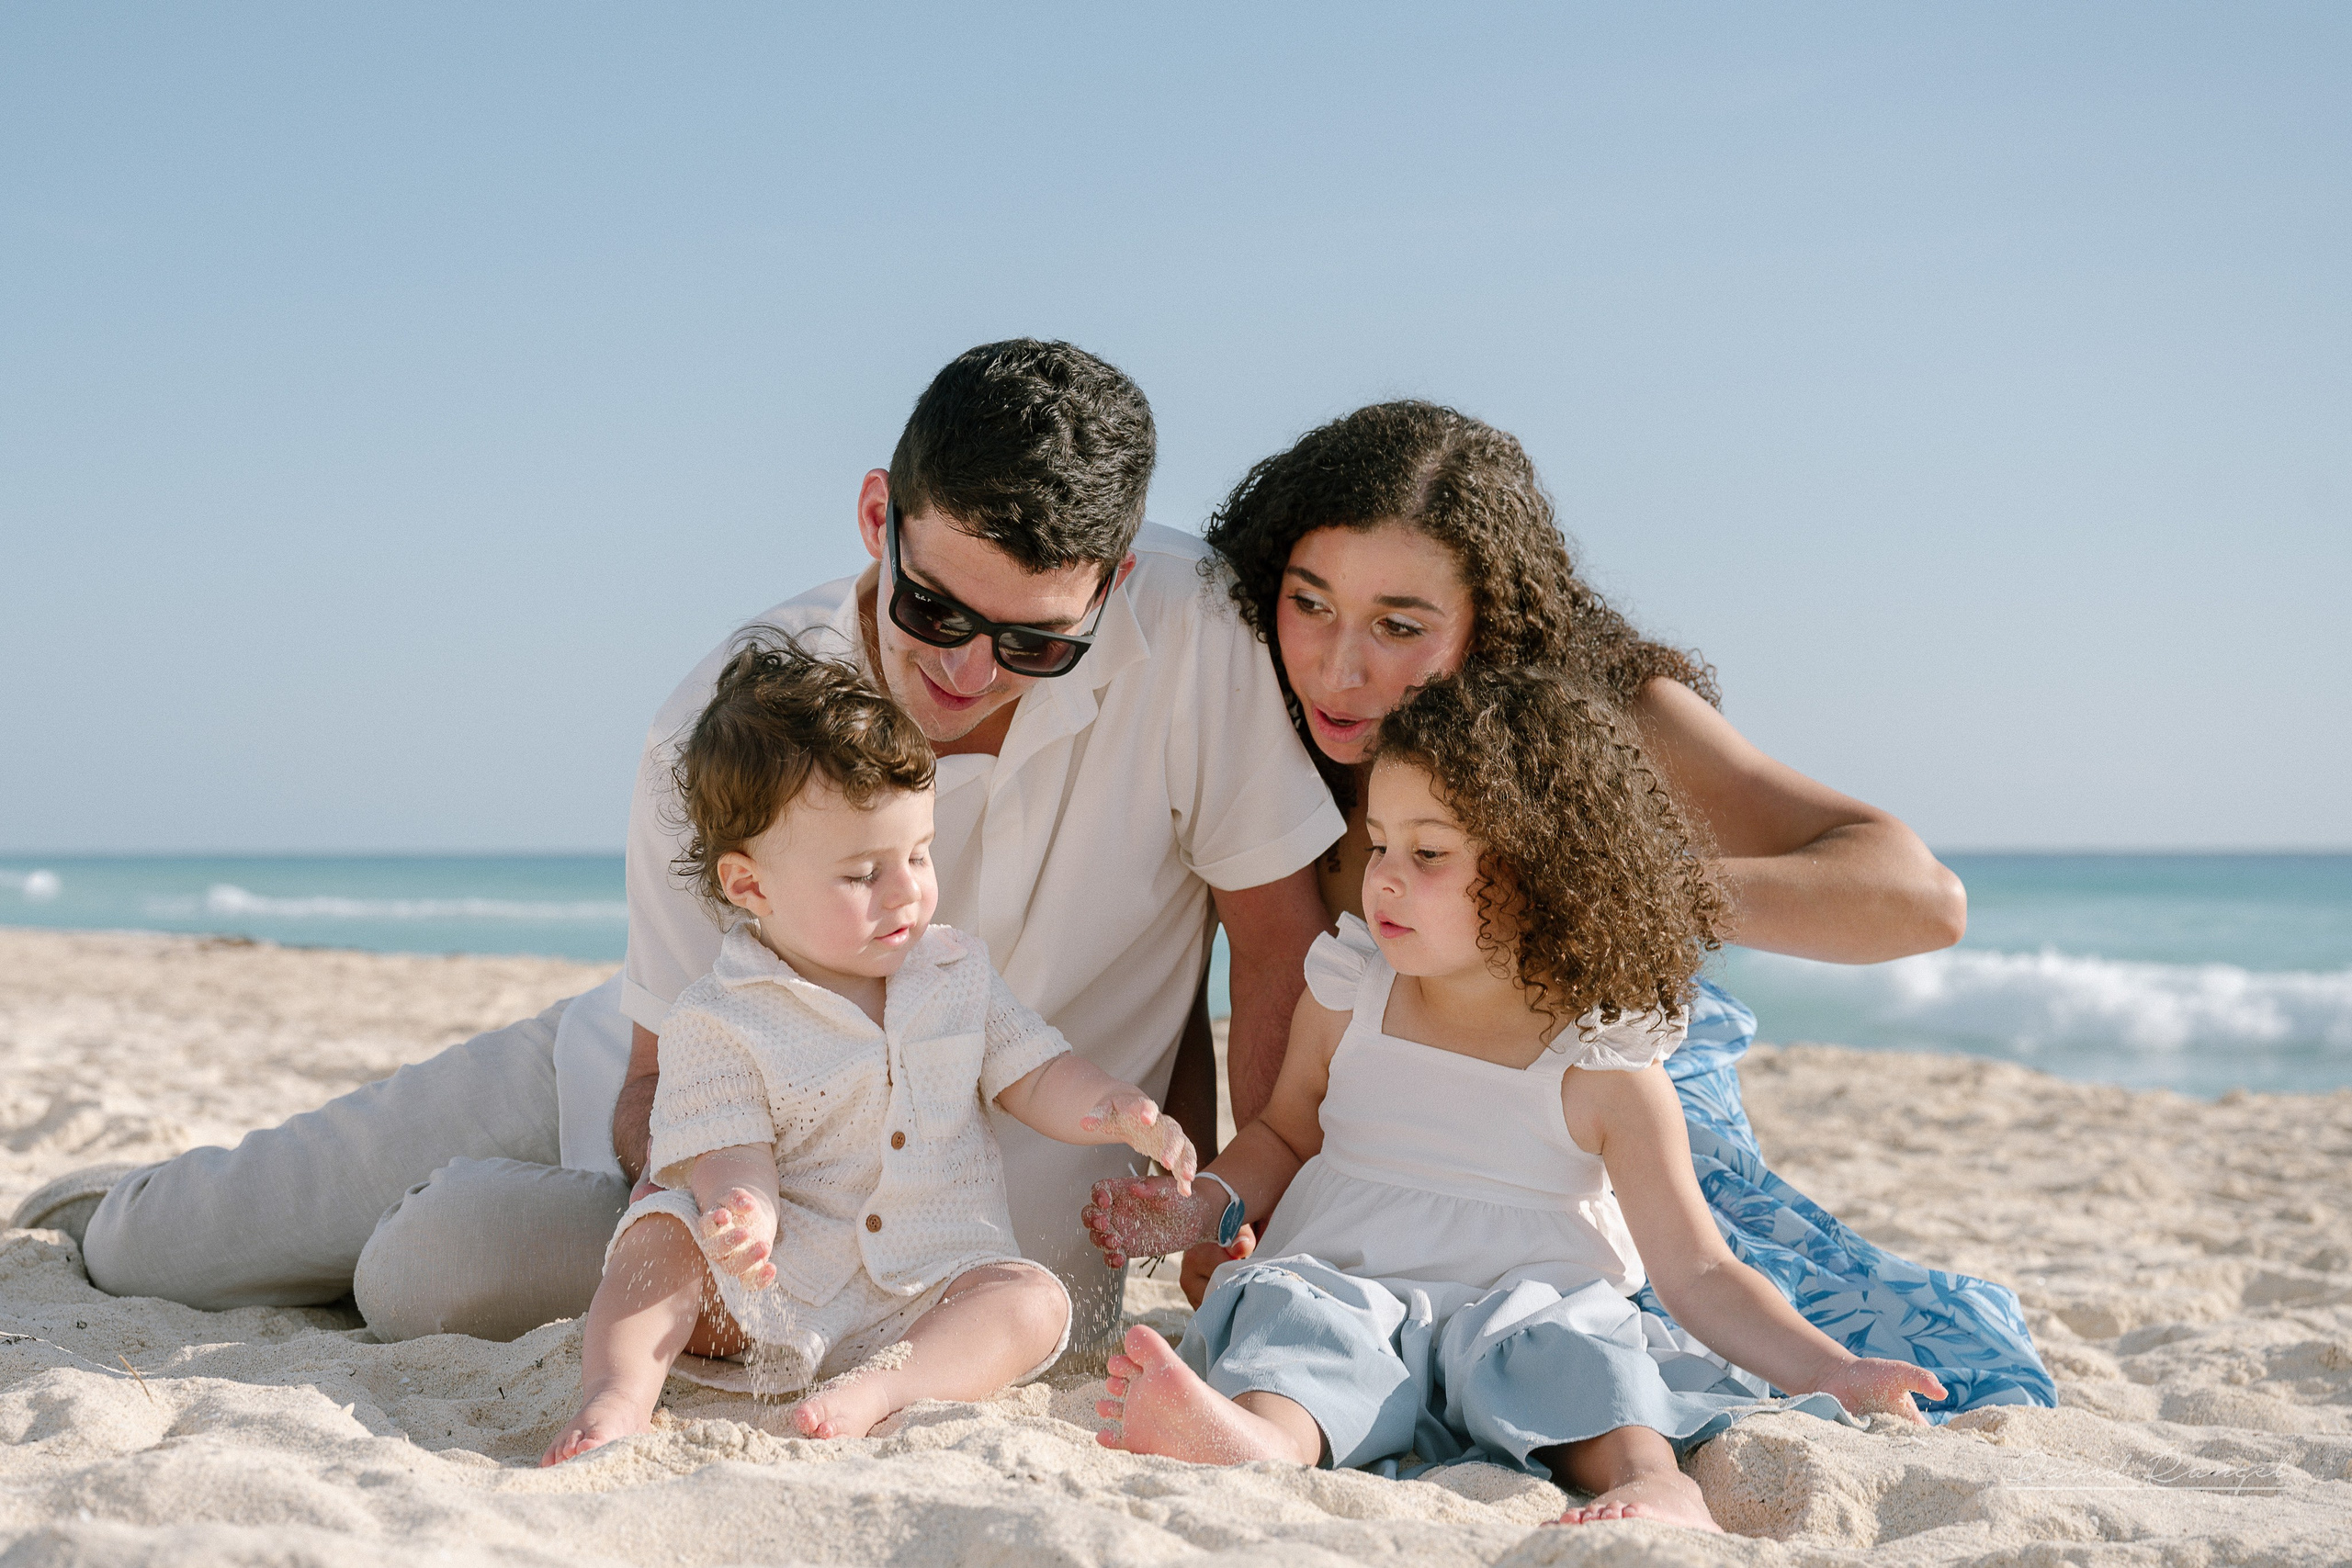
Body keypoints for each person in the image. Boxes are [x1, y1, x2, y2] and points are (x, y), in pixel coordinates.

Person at [51, 341, 1340, 1357]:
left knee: (433, 1267)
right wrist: (733, 1199)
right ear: (877, 514)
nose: (966, 669)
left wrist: (1232, 1217)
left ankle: (413, 1234)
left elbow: (1277, 948)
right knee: (158, 1250)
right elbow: (654, 1079)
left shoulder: (1196, 634)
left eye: (1033, 642)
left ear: (1113, 582)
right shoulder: (721, 716)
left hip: (954, 1250)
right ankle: (113, 1202)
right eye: (934, 609)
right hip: (686, 1113)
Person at [1193, 400, 2052, 1412]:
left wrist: (1602, 880)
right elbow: (1279, 991)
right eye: (1310, 604)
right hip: (1394, 1169)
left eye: (1400, 626)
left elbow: (1919, 900)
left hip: (1615, 1141)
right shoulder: (1251, 725)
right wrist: (1247, 1214)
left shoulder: (1592, 732)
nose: (1340, 669)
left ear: (1490, 622)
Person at [1082, 668, 1945, 1531]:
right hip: (1353, 1287)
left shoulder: (1602, 1064)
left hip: (1528, 1315)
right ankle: (1261, 1440)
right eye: (1378, 844)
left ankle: (1653, 1481)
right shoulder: (1348, 995)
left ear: (1544, 872)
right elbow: (1281, 1134)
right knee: (1299, 1320)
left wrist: (1831, 1370)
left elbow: (1699, 1270)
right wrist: (1202, 1203)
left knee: (1585, 1358)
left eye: (1428, 853)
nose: (1383, 878)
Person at [544, 644, 1198, 1463]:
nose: (907, 891)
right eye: (863, 874)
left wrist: (1112, 1107)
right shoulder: (721, 1015)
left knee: (1032, 1301)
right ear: (751, 886)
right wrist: (744, 1211)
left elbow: (1037, 1073)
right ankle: (616, 1395)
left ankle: (883, 1388)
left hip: (928, 1288)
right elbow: (730, 1146)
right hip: (771, 1292)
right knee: (657, 1244)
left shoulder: (957, 973)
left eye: (919, 855)